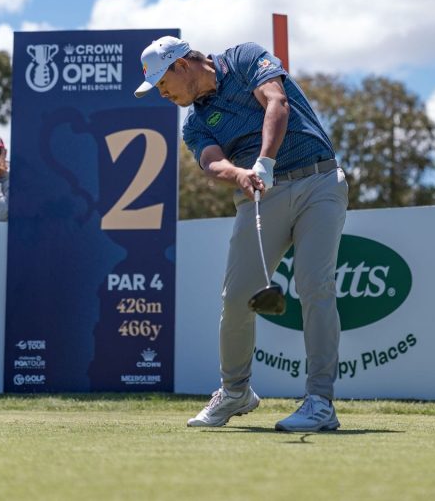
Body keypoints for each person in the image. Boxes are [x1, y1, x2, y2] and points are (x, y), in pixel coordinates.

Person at [135, 36, 348, 432]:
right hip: (262, 194)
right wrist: (242, 174)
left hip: (319, 181)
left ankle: (320, 401)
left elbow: (276, 103)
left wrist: (264, 159)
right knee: (236, 298)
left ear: (182, 65)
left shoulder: (246, 58)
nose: (162, 94)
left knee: (314, 285)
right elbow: (212, 163)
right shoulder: (195, 123)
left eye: (163, 83)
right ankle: (235, 392)